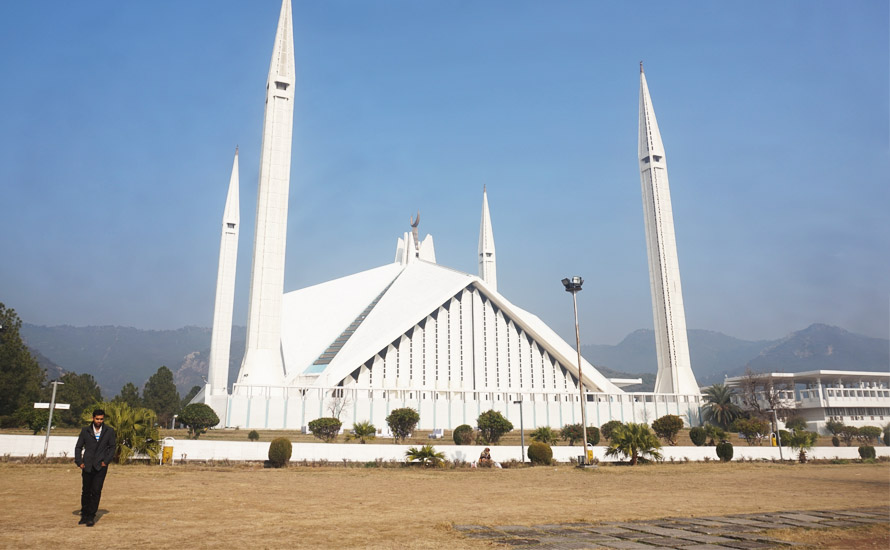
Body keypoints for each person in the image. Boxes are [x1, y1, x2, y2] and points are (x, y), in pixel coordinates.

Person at [74, 409, 116, 527]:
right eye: (97, 419)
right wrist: (79, 462)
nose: (99, 421)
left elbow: (112, 447)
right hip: (87, 465)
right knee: (86, 491)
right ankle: (84, 514)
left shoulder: (109, 431)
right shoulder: (85, 431)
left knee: (96, 491)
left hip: (100, 467)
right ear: (93, 418)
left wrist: (106, 461)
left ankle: (91, 516)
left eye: (101, 419)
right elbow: (78, 447)